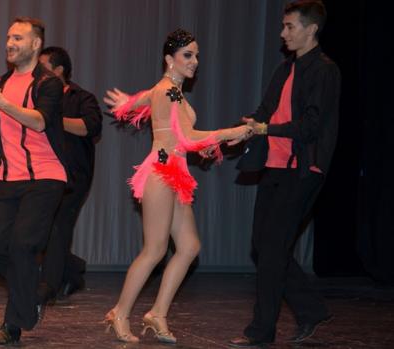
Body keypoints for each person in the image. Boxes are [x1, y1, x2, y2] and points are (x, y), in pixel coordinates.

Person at [103, 29, 251, 343]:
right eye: (188, 55)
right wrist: (231, 132)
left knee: (189, 247)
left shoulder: (170, 91)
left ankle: (157, 313)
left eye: (197, 55)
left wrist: (127, 102)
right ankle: (120, 312)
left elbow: (143, 101)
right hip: (161, 171)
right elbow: (189, 139)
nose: (195, 61)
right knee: (155, 249)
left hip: (175, 172)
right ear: (169, 59)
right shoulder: (168, 90)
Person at [229, 1, 340, 347]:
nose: (283, 33)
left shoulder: (324, 70)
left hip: (303, 169)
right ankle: (311, 310)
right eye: (283, 26)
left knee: (273, 248)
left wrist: (265, 128)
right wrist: (234, 134)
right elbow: (263, 113)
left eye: (290, 26)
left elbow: (310, 126)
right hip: (275, 167)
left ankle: (261, 331)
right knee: (264, 247)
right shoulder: (284, 70)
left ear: (311, 29)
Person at [0, 17, 67, 345]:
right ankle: (34, 293)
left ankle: (13, 325)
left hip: (46, 177)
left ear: (35, 44)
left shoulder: (47, 83)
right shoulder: (0, 82)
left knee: (22, 246)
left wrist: (2, 103)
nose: (10, 43)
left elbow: (40, 123)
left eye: (18, 38)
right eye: (8, 37)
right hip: (11, 178)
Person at [38, 46, 102, 302]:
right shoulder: (40, 95)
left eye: (43, 67)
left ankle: (47, 289)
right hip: (44, 173)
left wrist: (54, 120)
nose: (38, 72)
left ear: (59, 70)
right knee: (41, 231)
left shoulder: (81, 97)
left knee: (58, 228)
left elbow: (90, 127)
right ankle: (73, 270)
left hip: (74, 176)